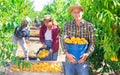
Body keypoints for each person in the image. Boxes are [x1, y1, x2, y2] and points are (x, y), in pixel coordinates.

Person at [61, 4, 95, 75]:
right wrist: (67, 54)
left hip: (83, 60)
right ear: (72, 13)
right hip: (69, 60)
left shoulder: (89, 26)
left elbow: (92, 42)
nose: (77, 14)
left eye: (78, 12)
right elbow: (62, 40)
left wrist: (87, 54)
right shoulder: (67, 25)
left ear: (82, 12)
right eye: (74, 12)